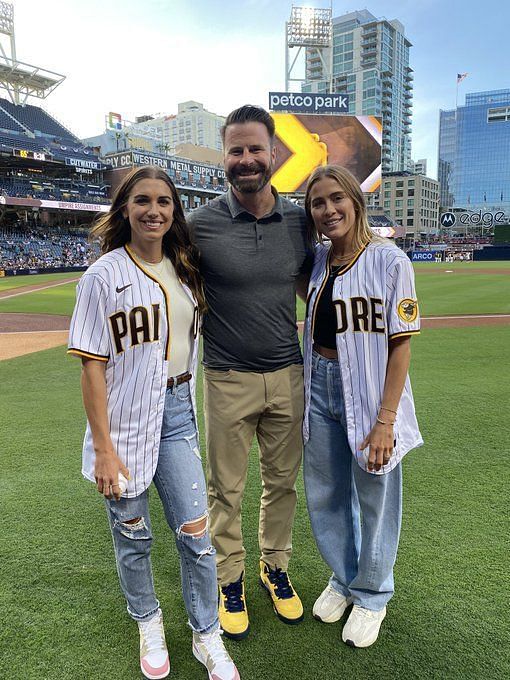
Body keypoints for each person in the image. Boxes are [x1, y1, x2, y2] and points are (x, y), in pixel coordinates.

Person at [67, 166, 239, 680]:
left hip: (178, 411)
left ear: (174, 211)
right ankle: (148, 620)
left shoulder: (185, 267)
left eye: (164, 201)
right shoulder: (102, 276)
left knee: (196, 532)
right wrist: (102, 448)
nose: (154, 210)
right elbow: (92, 367)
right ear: (124, 209)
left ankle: (206, 633)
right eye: (142, 200)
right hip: (121, 422)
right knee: (132, 534)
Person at [187, 105, 312, 639]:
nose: (245, 160)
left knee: (283, 483)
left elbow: (320, 283)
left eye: (254, 149)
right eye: (235, 150)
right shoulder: (199, 226)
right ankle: (230, 576)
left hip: (288, 372)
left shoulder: (300, 221)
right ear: (225, 157)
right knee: (226, 489)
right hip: (227, 376)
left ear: (274, 154)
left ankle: (275, 567)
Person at [302, 165, 423, 649]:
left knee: (375, 496)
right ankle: (345, 577)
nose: (329, 210)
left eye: (337, 199)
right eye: (317, 203)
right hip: (318, 386)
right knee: (327, 494)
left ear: (356, 200)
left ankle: (373, 593)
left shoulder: (390, 261)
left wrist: (385, 421)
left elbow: (402, 345)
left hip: (372, 394)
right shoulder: (317, 261)